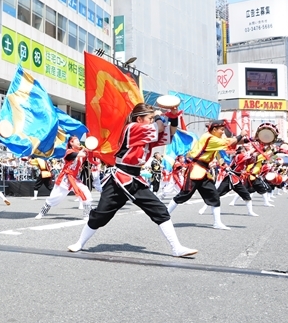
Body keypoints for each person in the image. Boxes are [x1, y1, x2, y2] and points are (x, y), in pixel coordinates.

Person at [68, 103, 197, 257]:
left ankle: (177, 248)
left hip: (136, 178)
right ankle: (80, 243)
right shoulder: (133, 128)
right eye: (148, 118)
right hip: (119, 179)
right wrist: (158, 115)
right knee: (101, 215)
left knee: (159, 210)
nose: (151, 120)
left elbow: (169, 132)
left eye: (151, 118)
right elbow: (159, 126)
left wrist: (174, 116)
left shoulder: (147, 133)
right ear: (139, 118)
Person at [166, 120, 247, 230]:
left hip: (204, 171)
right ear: (214, 129)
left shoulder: (214, 138)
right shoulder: (209, 138)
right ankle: (165, 216)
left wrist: (250, 139)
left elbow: (232, 142)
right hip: (196, 169)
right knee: (184, 194)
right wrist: (241, 134)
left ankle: (217, 223)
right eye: (221, 130)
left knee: (214, 195)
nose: (223, 132)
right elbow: (229, 142)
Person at [36, 136, 94, 220]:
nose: (79, 142)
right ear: (71, 143)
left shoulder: (79, 151)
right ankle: (42, 212)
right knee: (54, 198)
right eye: (76, 140)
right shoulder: (69, 152)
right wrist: (84, 149)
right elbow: (81, 154)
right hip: (65, 179)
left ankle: (86, 215)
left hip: (75, 179)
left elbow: (88, 157)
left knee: (86, 193)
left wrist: (90, 150)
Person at [198, 145, 260, 217]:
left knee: (246, 195)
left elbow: (251, 160)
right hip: (230, 178)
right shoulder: (238, 156)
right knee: (216, 194)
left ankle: (250, 211)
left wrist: (256, 154)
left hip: (237, 180)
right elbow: (246, 155)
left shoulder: (244, 158)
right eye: (244, 151)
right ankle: (204, 208)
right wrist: (253, 149)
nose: (245, 152)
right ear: (242, 151)